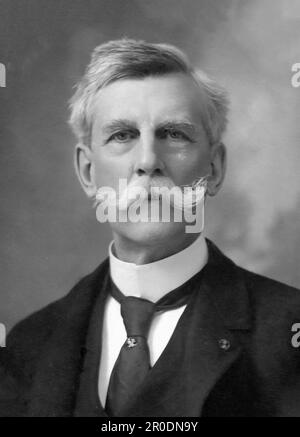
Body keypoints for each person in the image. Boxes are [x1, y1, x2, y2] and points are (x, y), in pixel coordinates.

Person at [0, 38, 300, 417]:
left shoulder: (290, 331)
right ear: (88, 172)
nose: (147, 161)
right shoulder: (29, 344)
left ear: (215, 169)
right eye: (123, 135)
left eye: (174, 134)